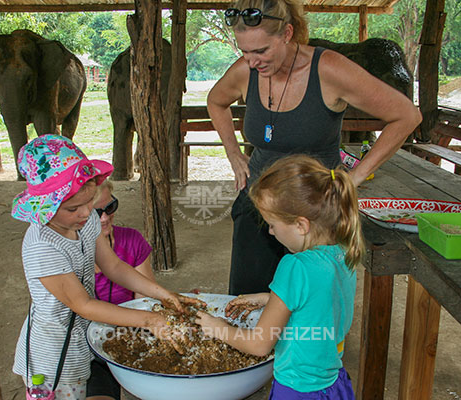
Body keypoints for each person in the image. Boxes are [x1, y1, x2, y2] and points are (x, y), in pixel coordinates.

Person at [207, 0, 422, 295]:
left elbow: (407, 116)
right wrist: (233, 153)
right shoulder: (246, 70)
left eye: (261, 51)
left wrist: (355, 177)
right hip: (258, 203)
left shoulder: (329, 69)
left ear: (286, 34)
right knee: (248, 301)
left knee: (310, 302)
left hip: (316, 211)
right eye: (244, 52)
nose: (252, 61)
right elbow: (216, 101)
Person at [10, 135, 200, 400]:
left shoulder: (84, 221)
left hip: (83, 335)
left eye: (90, 202)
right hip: (54, 354)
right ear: (45, 207)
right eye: (74, 208)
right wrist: (151, 319)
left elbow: (112, 265)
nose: (86, 214)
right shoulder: (42, 246)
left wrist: (163, 295)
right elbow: (83, 304)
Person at [196, 154, 364, 399]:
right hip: (333, 383)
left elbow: (259, 344)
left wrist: (218, 328)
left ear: (301, 225)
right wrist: (269, 298)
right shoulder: (344, 253)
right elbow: (318, 303)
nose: (271, 232)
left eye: (272, 224)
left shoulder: (295, 266)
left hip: (298, 388)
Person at [85, 180, 157, 399]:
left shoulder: (132, 240)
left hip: (129, 335)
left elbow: (144, 302)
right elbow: (81, 308)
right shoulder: (70, 250)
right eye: (96, 213)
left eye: (110, 208)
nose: (105, 218)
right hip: (85, 347)